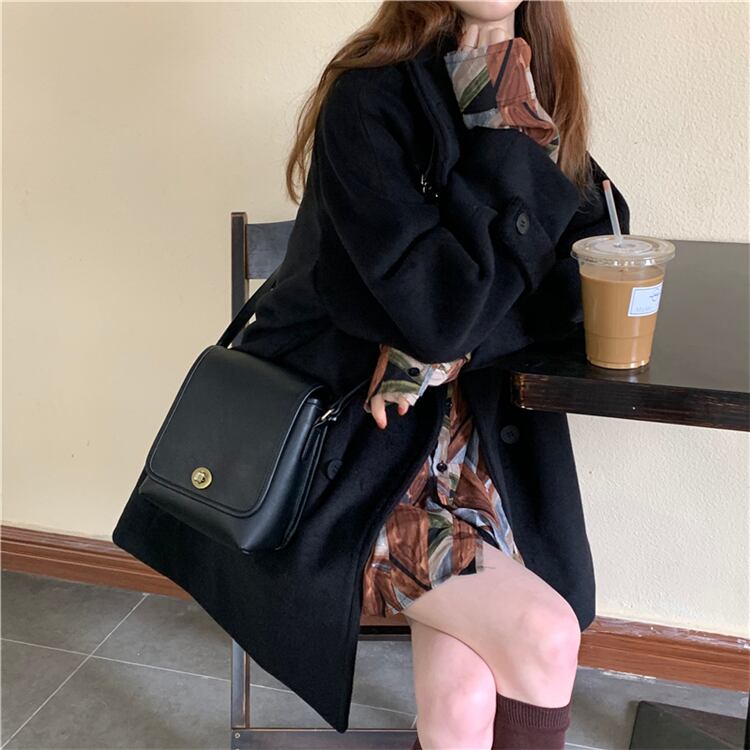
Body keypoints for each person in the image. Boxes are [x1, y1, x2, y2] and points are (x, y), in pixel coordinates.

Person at [112, 0, 631, 744]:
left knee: (462, 700)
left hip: (478, 464)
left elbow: (592, 272)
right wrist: (503, 138)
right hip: (355, 469)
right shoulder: (370, 96)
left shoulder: (528, 87)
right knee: (544, 635)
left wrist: (450, 351)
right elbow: (441, 309)